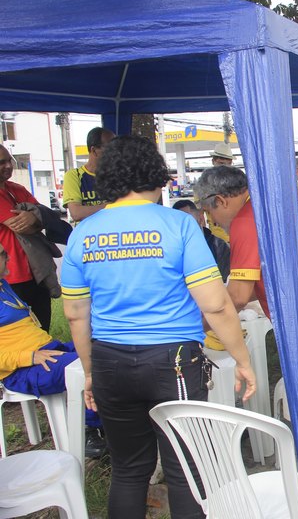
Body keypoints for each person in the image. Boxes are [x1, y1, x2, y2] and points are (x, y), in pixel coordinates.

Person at [61, 136, 256, 519]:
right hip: (174, 362)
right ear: (156, 174)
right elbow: (215, 303)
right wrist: (243, 359)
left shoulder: (82, 233)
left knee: (129, 470)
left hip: (108, 361)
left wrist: (88, 372)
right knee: (185, 470)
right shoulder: (178, 225)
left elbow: (75, 314)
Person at [193, 165, 298, 517]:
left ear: (220, 200)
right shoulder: (263, 210)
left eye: (208, 211)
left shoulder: (248, 222)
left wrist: (194, 319)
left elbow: (235, 296)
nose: (211, 219)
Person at [0, 242, 107, 458]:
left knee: (106, 349)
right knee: (89, 366)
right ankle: (89, 429)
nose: (8, 258)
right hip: (21, 369)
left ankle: (108, 419)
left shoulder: (3, 285)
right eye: (3, 254)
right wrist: (29, 356)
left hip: (45, 350)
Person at [1, 144, 67, 331]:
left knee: (42, 330)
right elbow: (22, 227)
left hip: (36, 273)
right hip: (10, 277)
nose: (7, 166)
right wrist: (37, 218)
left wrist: (36, 217)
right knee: (19, 335)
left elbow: (46, 217)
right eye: (1, 162)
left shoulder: (17, 189)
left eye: (9, 161)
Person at [62, 127, 115, 222]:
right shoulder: (74, 176)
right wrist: (113, 205)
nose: (115, 152)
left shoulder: (118, 175)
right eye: (110, 148)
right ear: (94, 150)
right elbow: (76, 213)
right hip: (86, 235)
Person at [172, 199, 231, 282]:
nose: (183, 229)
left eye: (188, 223)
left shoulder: (219, 247)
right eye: (178, 224)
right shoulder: (171, 250)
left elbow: (224, 280)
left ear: (201, 219)